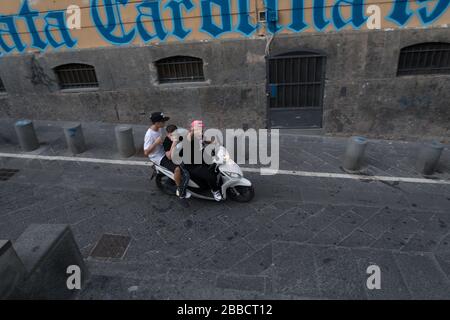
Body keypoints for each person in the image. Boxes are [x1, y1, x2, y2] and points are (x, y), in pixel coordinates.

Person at [143, 112, 190, 199]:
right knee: (177, 169)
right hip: (159, 157)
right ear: (157, 123)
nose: (164, 123)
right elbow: (145, 153)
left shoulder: (159, 128)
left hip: (163, 150)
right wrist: (155, 143)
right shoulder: (149, 135)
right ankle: (180, 190)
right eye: (162, 121)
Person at [184, 120, 223, 201]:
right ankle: (215, 191)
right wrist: (192, 131)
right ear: (192, 129)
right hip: (193, 164)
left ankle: (212, 183)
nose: (201, 130)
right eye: (198, 128)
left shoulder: (199, 135)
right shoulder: (189, 137)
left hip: (202, 158)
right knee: (210, 175)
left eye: (201, 128)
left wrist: (213, 142)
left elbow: (204, 140)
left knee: (218, 166)